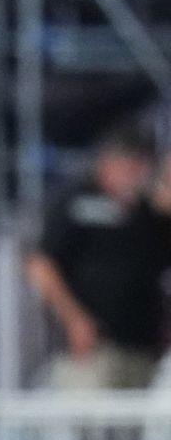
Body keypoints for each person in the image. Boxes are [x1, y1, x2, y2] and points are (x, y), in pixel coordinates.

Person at [25, 122, 171, 390]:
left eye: (141, 165)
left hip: (142, 346)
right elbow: (40, 264)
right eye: (128, 164)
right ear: (108, 162)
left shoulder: (148, 210)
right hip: (90, 347)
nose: (135, 174)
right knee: (89, 411)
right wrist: (73, 320)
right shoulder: (76, 199)